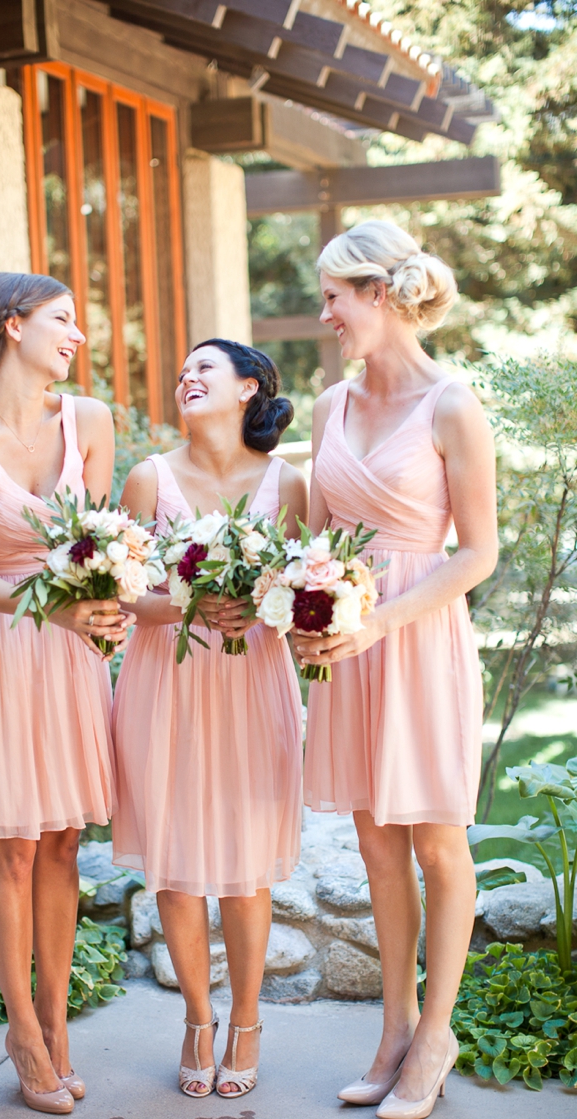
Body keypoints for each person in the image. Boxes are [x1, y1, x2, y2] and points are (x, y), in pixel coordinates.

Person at [293, 222, 497, 1119]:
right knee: (376, 844)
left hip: (417, 638)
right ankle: (394, 1029)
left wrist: (381, 621)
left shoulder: (453, 403)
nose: (325, 312)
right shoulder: (327, 407)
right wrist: (300, 606)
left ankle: (437, 1034)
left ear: (379, 295)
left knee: (436, 843)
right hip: (350, 644)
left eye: (335, 296)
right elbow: (309, 539)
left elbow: (478, 554)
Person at [0, 272, 128, 1116]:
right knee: (11, 845)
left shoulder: (90, 421)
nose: (77, 334)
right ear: (13, 327)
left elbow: (105, 544)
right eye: (62, 319)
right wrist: (59, 603)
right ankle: (23, 1033)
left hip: (72, 653)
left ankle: (58, 1025)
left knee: (63, 840)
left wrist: (104, 604)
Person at [112, 340, 307, 1099]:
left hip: (253, 678)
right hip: (168, 679)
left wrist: (265, 605)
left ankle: (247, 1020)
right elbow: (125, 590)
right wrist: (181, 604)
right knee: (177, 861)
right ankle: (197, 1017)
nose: (186, 377)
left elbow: (308, 585)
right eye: (182, 369)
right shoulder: (147, 478)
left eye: (205, 369)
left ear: (247, 387)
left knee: (246, 865)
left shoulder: (289, 482)